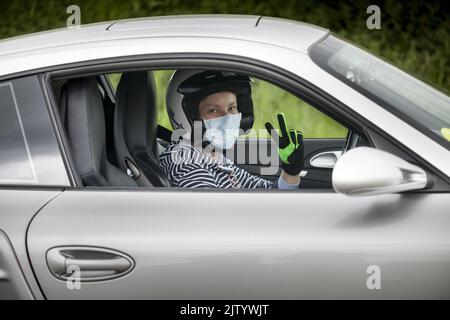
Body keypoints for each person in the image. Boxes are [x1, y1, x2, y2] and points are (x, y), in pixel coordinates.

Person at [159, 70, 305, 189]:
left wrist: (290, 172)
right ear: (188, 115)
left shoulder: (209, 155)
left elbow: (265, 194)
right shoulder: (190, 170)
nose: (228, 118)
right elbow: (218, 222)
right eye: (213, 111)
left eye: (232, 108)